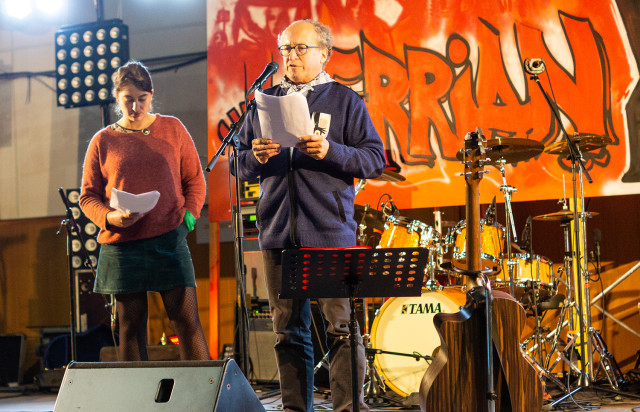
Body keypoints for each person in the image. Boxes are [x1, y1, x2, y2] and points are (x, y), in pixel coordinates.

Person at [236, 19, 386, 412]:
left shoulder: (344, 101)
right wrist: (256, 156)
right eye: (286, 49)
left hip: (329, 232)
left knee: (339, 329)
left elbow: (373, 159)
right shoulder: (262, 101)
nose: (291, 56)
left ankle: (347, 408)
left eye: (300, 48)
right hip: (277, 232)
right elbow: (238, 164)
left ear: (324, 54)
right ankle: (295, 409)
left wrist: (330, 151)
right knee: (288, 333)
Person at [79, 61, 210, 361]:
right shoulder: (103, 140)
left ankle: (204, 401)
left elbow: (195, 181)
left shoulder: (172, 128)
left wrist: (187, 220)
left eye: (142, 99)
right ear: (117, 97)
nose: (135, 106)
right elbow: (88, 197)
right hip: (123, 246)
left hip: (169, 239)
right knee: (130, 328)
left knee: (188, 322)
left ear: (151, 95)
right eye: (128, 100)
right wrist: (111, 218)